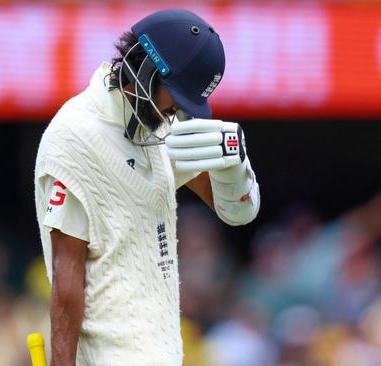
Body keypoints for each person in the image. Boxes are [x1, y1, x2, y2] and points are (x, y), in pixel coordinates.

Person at [34, 8, 260, 366]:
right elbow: (67, 274)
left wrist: (234, 169)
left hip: (164, 351)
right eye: (174, 96)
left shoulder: (155, 124)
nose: (174, 112)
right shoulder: (75, 138)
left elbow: (235, 211)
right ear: (147, 67)